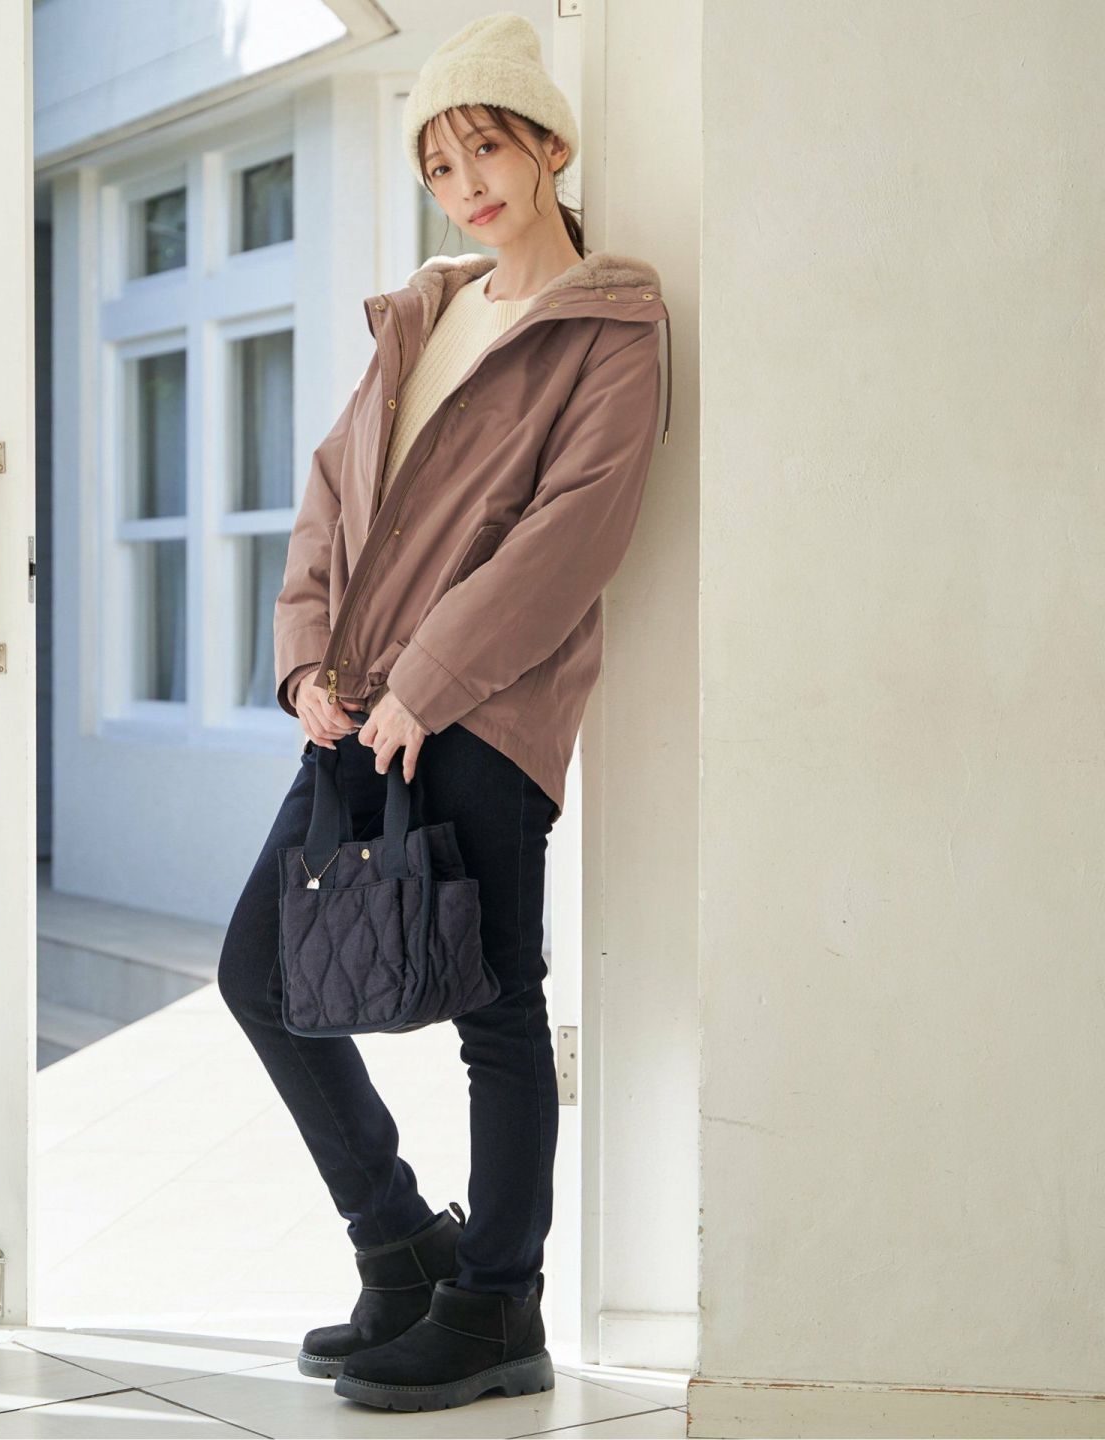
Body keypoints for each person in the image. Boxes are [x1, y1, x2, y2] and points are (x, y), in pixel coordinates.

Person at [216, 9, 673, 1415]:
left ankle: (496, 1307)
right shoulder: (424, 311)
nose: (466, 185)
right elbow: (330, 496)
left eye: (487, 150)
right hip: (355, 712)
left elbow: (569, 537)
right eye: (439, 164)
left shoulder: (610, 325)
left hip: (485, 712)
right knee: (260, 975)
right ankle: (402, 1246)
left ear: (547, 148)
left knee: (495, 1008)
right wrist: (305, 666)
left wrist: (429, 680)